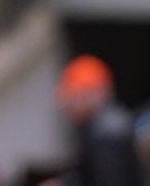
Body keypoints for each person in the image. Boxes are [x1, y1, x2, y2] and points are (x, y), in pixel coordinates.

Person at [43, 54, 143, 186]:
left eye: (73, 96)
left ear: (90, 94)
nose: (68, 106)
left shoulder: (107, 137)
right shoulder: (102, 125)